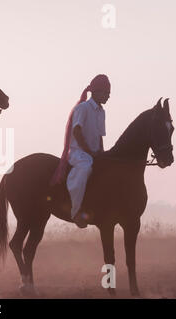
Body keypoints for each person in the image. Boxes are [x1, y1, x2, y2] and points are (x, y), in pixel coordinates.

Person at [51, 74, 111, 228]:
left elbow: (99, 136)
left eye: (109, 93)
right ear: (96, 92)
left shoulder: (101, 112)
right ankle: (76, 212)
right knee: (84, 169)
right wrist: (89, 151)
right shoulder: (82, 108)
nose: (108, 96)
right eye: (105, 93)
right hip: (78, 153)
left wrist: (102, 154)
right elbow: (77, 132)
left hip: (93, 153)